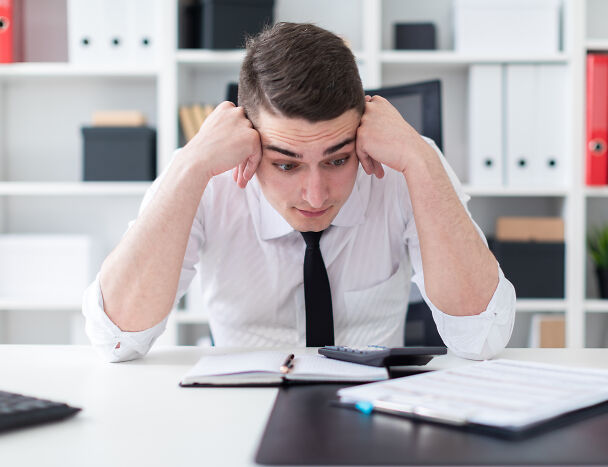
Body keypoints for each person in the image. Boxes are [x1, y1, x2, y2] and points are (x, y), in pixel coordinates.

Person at [82, 22, 516, 363]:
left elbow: (483, 338)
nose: (314, 194)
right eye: (286, 164)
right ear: (248, 141)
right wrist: (190, 166)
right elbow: (116, 340)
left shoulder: (407, 166)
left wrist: (421, 161)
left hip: (370, 412)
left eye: (337, 159)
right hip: (241, 412)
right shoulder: (204, 176)